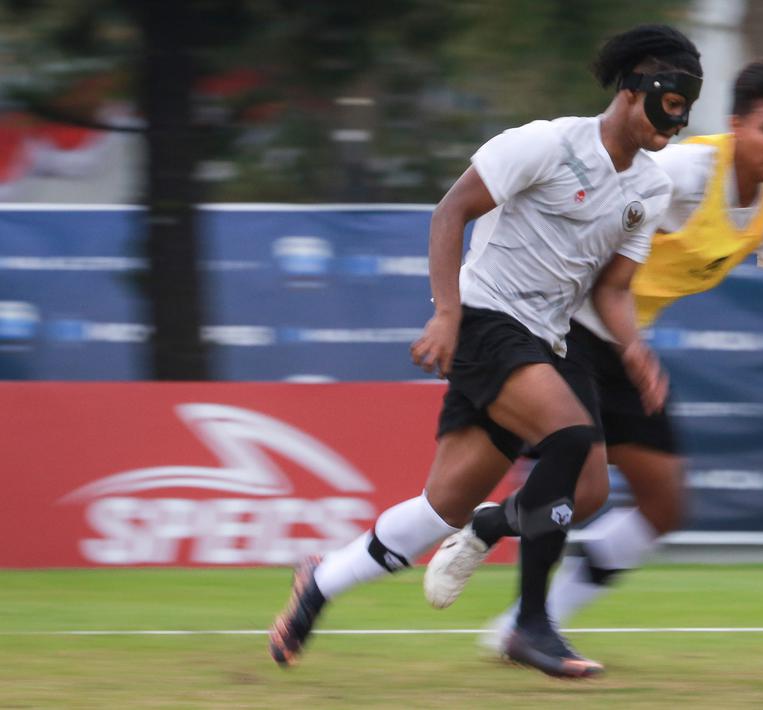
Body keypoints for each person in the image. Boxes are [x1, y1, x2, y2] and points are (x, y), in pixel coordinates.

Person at [268, 24, 704, 678]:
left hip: (546, 338)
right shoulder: (546, 143)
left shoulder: (650, 189)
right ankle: (530, 626)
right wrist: (446, 313)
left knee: (457, 507)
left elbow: (613, 287)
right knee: (569, 438)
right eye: (667, 106)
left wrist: (634, 347)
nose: (674, 126)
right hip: (486, 321)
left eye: (684, 112)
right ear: (631, 87)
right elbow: (451, 212)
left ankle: (322, 581)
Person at [422, 57, 763, 651]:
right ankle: (528, 626)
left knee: (663, 506)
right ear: (735, 126)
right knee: (584, 491)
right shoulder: (682, 171)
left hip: (626, 344)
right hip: (569, 326)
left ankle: (504, 554)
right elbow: (595, 194)